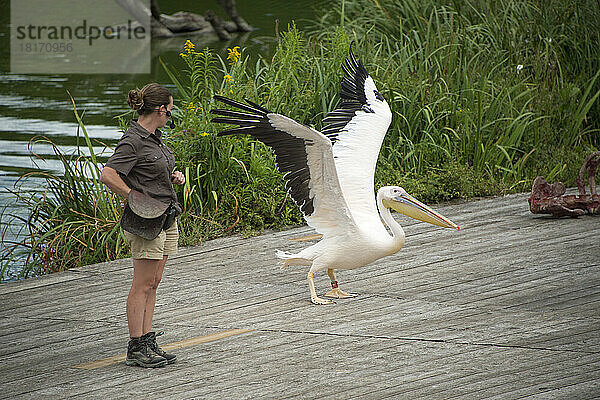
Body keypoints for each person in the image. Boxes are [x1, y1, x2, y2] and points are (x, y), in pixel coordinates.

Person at [100, 83, 185, 368]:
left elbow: (150, 171)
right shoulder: (133, 140)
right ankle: (135, 346)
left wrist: (173, 176)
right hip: (144, 223)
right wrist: (133, 197)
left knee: (154, 281)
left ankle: (148, 340)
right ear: (160, 110)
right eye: (170, 112)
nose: (170, 116)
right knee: (142, 283)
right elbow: (108, 174)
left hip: (165, 217)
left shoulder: (155, 138)